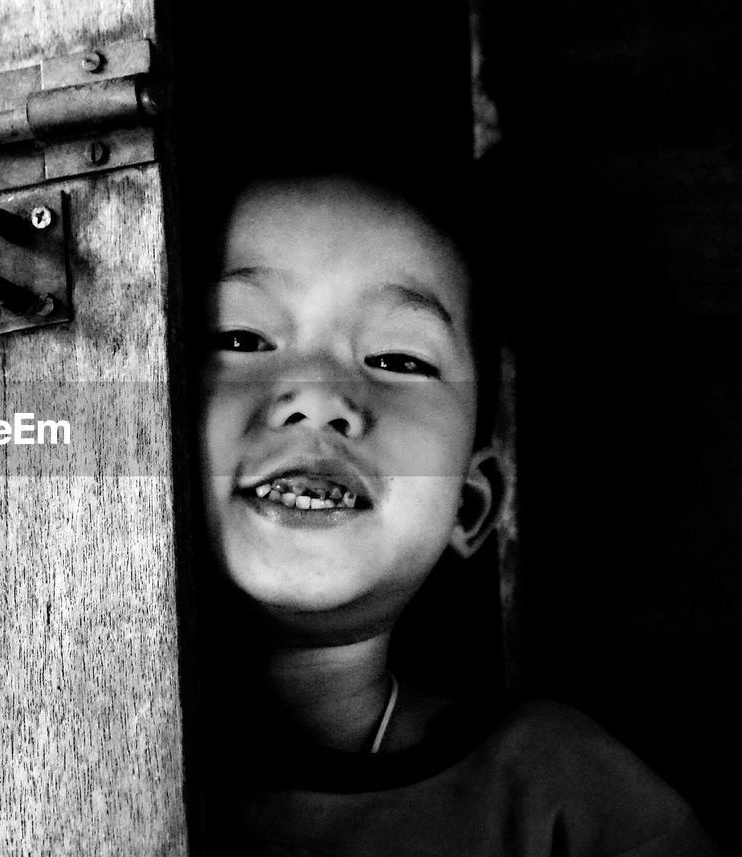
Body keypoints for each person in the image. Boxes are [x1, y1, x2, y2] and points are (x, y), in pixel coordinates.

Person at [193, 170, 719, 856]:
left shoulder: (561, 794)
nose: (318, 398)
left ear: (470, 506)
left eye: (396, 357)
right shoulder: (46, 756)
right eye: (240, 339)